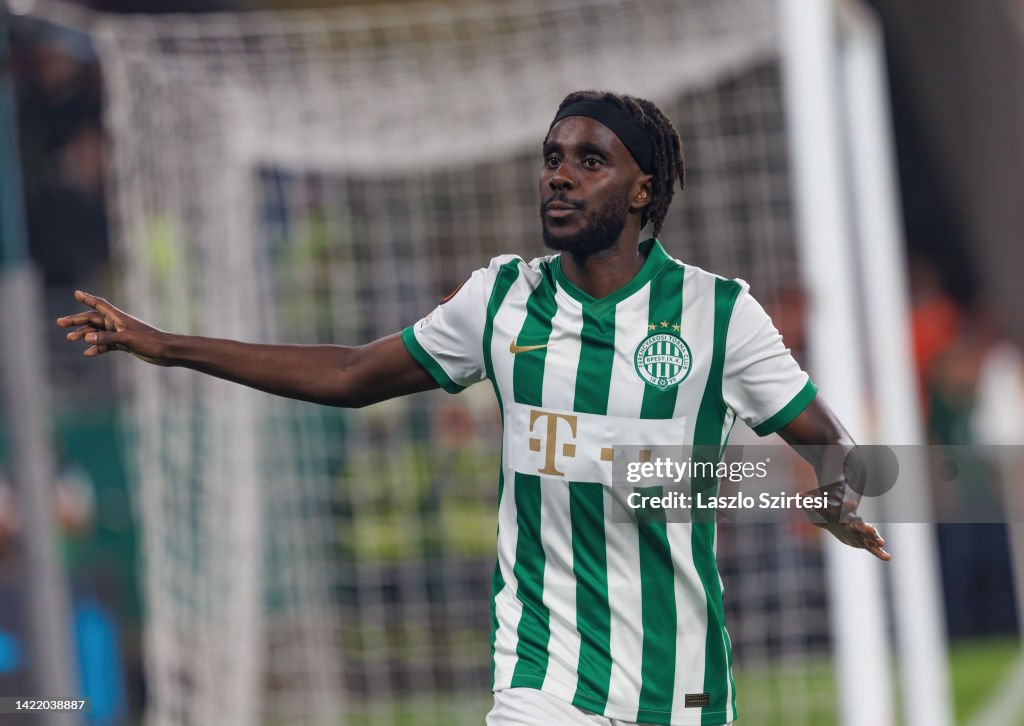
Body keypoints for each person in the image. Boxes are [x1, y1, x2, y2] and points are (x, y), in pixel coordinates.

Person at [58, 90, 889, 726]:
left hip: (679, 681)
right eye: (552, 155)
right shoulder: (500, 301)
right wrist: (167, 346)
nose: (559, 174)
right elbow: (351, 372)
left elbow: (837, 447)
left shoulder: (718, 314)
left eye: (589, 161)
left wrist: (831, 500)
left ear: (644, 190)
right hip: (540, 675)